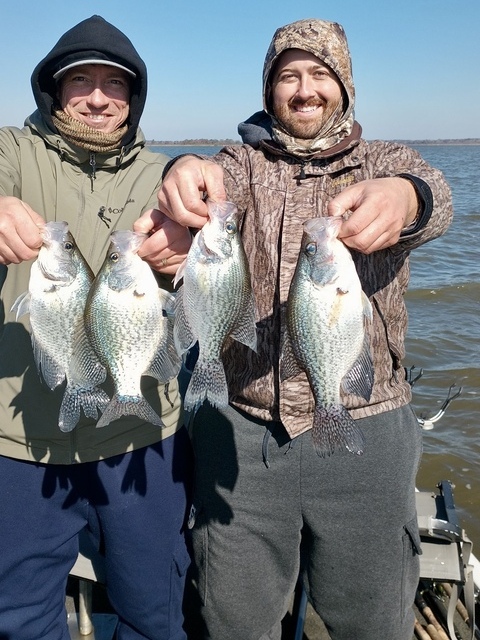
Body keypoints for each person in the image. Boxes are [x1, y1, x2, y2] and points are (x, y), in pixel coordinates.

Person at [149, 18, 454, 640]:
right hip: (243, 429)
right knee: (234, 616)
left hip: (367, 419)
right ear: (269, 91)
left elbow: (437, 198)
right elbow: (203, 176)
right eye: (288, 75)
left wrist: (405, 196)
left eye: (320, 74)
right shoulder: (240, 165)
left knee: (371, 617)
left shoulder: (386, 160)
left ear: (344, 88)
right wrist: (182, 169)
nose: (305, 88)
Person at [0, 15, 193, 640]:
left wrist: (189, 242)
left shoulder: (158, 174)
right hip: (18, 437)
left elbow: (207, 210)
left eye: (115, 85)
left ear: (133, 101)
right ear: (53, 92)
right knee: (20, 615)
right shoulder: (9, 150)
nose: (98, 98)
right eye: (80, 82)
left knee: (156, 609)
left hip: (141, 431)